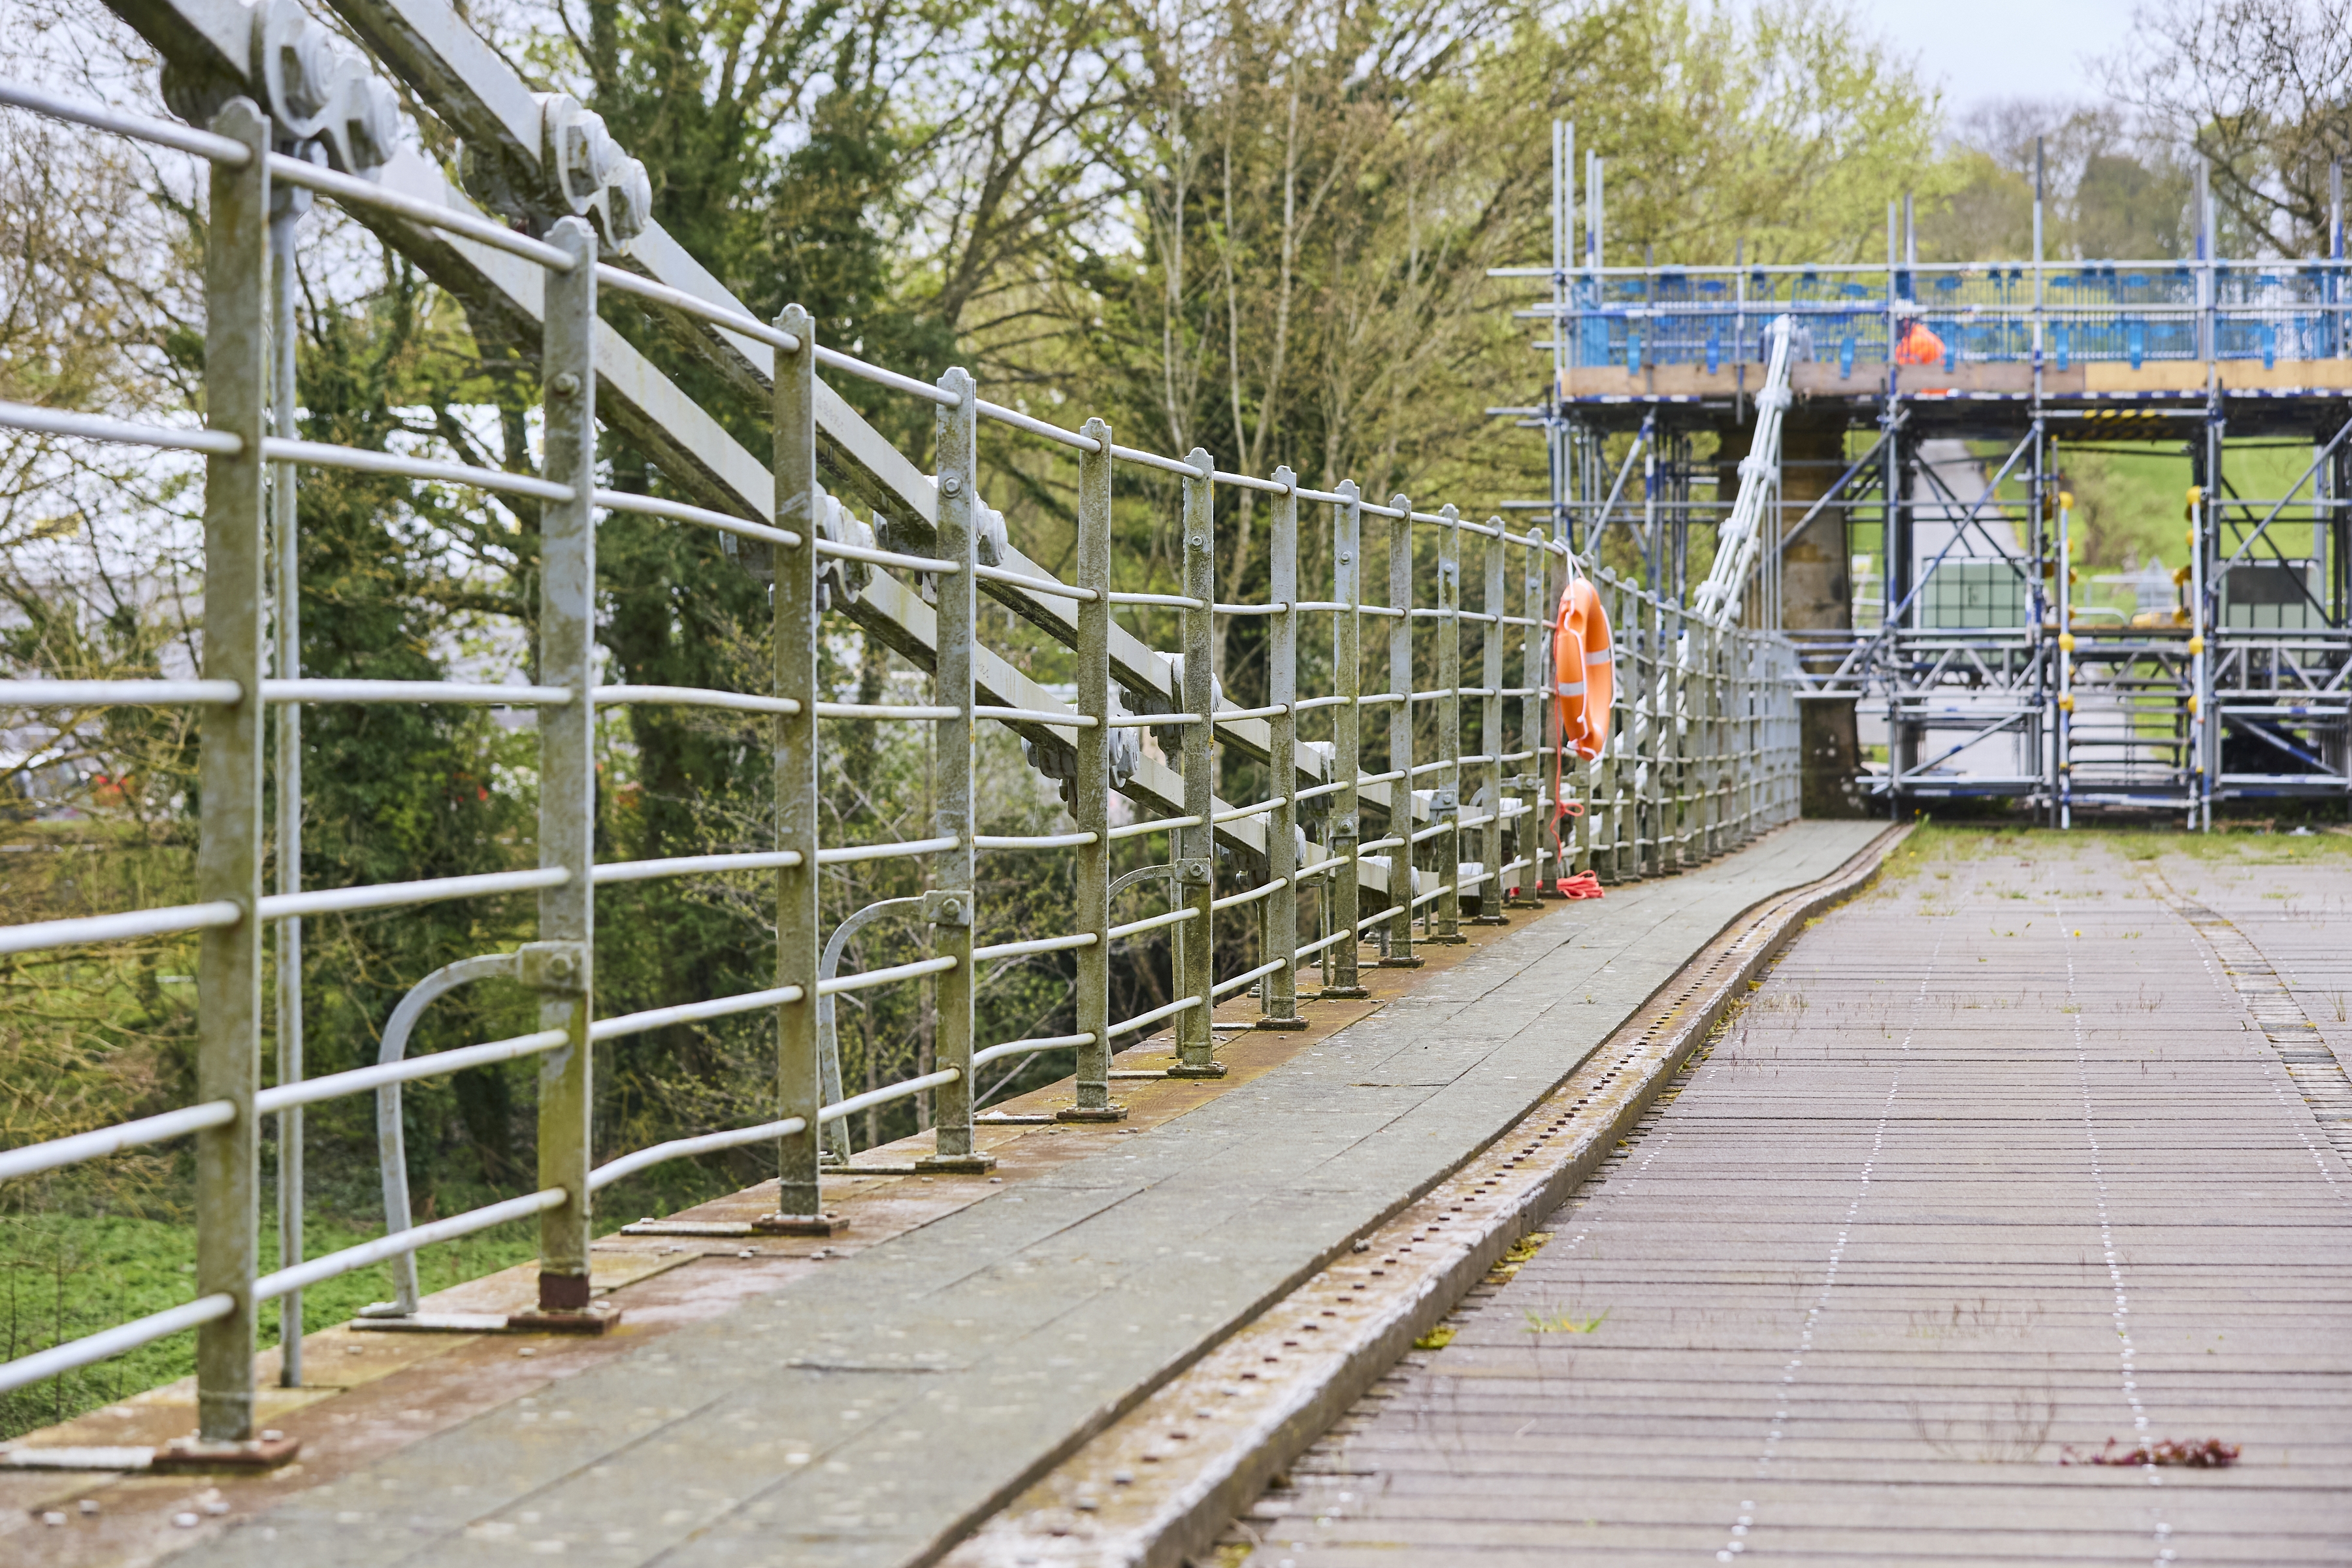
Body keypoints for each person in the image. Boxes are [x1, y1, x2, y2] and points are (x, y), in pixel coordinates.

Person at [1893, 302, 1944, 366]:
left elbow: (1905, 366)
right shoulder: (1914, 334)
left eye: (1896, 324)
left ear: (1906, 322)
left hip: (1936, 372)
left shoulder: (1916, 340)